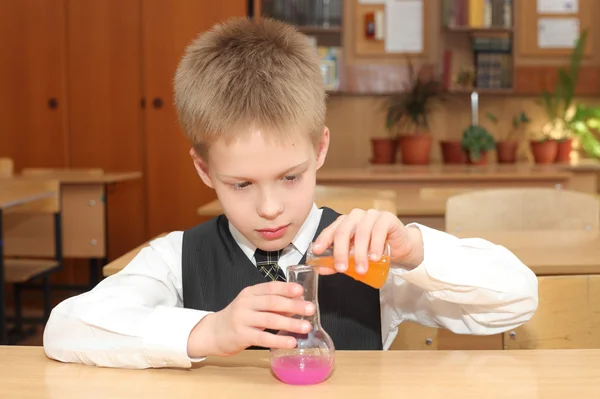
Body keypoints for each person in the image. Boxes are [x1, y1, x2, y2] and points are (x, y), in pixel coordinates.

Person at [43, 17, 538, 369]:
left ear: (320, 148)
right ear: (203, 169)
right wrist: (209, 331)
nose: (270, 207)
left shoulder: (364, 255)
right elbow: (65, 330)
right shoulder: (177, 257)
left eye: (290, 176)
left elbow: (517, 301)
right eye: (240, 185)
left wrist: (414, 251)